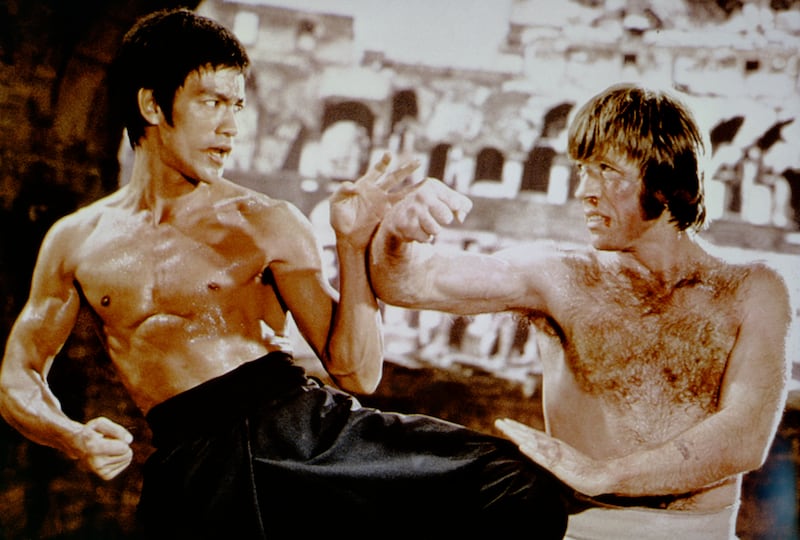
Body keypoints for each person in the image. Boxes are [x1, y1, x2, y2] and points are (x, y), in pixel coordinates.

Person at [0, 9, 568, 538]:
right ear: (152, 105)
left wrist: (352, 244)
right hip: (191, 465)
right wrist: (72, 438)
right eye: (211, 102)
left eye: (237, 105)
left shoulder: (265, 222)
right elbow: (19, 373)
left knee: (514, 486)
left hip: (299, 434)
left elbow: (358, 372)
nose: (230, 126)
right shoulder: (76, 240)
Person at [369, 83, 792, 540]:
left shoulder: (753, 289)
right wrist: (396, 234)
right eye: (582, 170)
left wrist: (609, 475)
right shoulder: (560, 276)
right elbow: (407, 282)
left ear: (669, 179)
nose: (585, 191)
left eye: (607, 171)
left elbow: (746, 435)